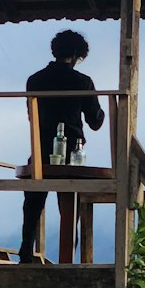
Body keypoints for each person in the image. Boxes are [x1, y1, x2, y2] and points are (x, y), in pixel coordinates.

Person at [19, 30, 104, 263]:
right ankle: (67, 258)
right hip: (71, 153)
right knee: (70, 206)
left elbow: (31, 116)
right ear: (76, 55)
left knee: (33, 202)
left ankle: (25, 251)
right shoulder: (82, 82)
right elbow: (95, 122)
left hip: (40, 149)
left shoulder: (34, 79)